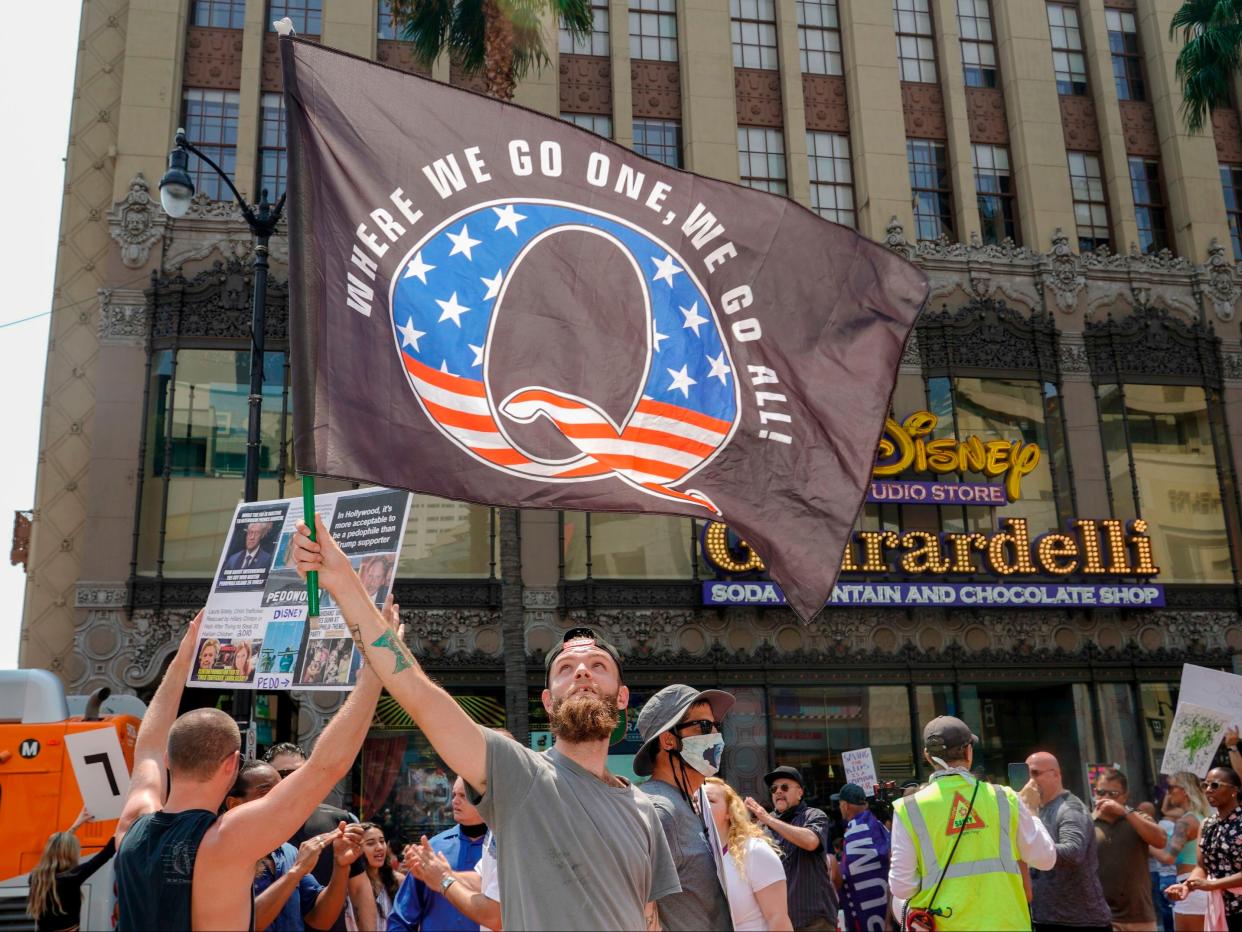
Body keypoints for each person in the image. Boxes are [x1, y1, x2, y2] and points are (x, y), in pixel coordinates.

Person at [292, 511, 680, 932]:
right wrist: (343, 582)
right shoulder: (521, 774)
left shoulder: (643, 810)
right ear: (548, 702)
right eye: (566, 667)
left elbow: (648, 917)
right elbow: (421, 698)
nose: (582, 672)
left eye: (597, 665)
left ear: (622, 698)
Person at [112, 607, 384, 931]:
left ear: (170, 760)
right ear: (231, 765)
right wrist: (373, 677)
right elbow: (325, 767)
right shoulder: (227, 839)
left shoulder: (132, 824)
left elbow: (148, 748)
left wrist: (184, 659)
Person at [889, 717, 1055, 931]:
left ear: (927, 756)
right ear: (969, 752)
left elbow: (901, 888)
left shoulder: (908, 808)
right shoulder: (1005, 798)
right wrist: (1031, 811)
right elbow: (1046, 859)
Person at [633, 683, 736, 931]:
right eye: (703, 726)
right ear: (669, 740)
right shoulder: (659, 811)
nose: (715, 736)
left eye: (715, 726)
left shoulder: (689, 803)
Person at [222, 758, 364, 932]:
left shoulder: (288, 852)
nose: (280, 802)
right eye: (267, 794)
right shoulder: (219, 856)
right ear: (234, 804)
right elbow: (244, 924)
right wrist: (295, 872)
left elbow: (321, 919)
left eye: (282, 794)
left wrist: (341, 866)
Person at [264, 740, 379, 932]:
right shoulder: (253, 827)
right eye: (284, 774)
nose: (293, 780)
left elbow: (358, 887)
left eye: (300, 773)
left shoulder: (338, 821)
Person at [1022, 751, 1111, 931]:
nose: (1030, 781)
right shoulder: (1038, 809)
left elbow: (1073, 853)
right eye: (1027, 775)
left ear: (1055, 774)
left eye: (1036, 773)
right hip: (1046, 918)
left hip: (1081, 920)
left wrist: (1031, 814)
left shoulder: (1070, 808)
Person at [743, 766, 837, 931]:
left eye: (784, 787)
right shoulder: (762, 826)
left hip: (814, 921)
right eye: (774, 789)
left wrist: (767, 819)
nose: (778, 791)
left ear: (800, 792)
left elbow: (810, 841)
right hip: (779, 922)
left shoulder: (813, 815)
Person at [389, 777, 486, 932]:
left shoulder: (503, 849)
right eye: (453, 795)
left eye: (463, 796)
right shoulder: (434, 848)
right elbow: (402, 916)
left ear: (483, 800)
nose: (454, 801)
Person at [705, 777, 792, 931]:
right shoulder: (697, 856)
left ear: (729, 812)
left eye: (710, 800)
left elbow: (778, 918)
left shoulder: (753, 850)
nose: (700, 805)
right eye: (695, 800)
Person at [1166, 767, 1242, 931]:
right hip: (1218, 907)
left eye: (1215, 785)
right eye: (1205, 785)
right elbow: (1201, 866)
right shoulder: (1206, 825)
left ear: (1234, 791)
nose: (1208, 790)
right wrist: (1186, 886)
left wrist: (1212, 885)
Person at [1094, 767, 1168, 932]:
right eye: (1100, 792)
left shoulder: (1137, 817)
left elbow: (1161, 841)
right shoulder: (1086, 822)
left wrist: (1126, 813)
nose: (1105, 798)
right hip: (1100, 917)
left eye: (1112, 794)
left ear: (1125, 796)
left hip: (1139, 916)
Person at [26, 807, 116, 931]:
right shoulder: (71, 877)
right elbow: (106, 854)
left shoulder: (36, 877)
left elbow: (57, 847)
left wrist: (76, 825)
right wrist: (124, 822)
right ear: (70, 854)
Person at [1153, 772, 1210, 931]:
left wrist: (1145, 844)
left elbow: (1168, 858)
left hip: (1189, 888)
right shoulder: (1202, 816)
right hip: (1202, 886)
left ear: (1185, 791)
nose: (1167, 792)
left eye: (1170, 787)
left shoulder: (1185, 822)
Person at [833, 783, 890, 932]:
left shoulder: (854, 834)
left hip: (867, 917)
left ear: (845, 806)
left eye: (839, 804)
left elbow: (845, 876)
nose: (839, 808)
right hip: (886, 912)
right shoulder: (877, 826)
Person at [354, 823, 404, 929]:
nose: (380, 847)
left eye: (382, 841)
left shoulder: (399, 880)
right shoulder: (350, 884)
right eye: (371, 843)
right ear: (357, 848)